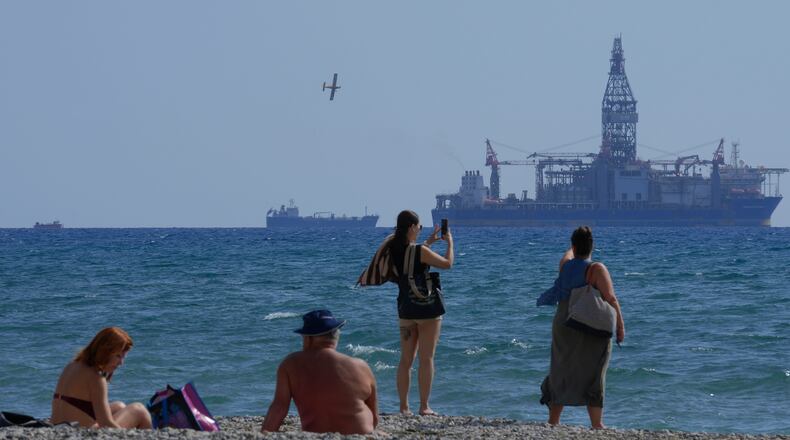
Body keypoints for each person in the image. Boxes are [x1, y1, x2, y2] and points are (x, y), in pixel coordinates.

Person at [537, 226, 625, 429]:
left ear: (574, 246)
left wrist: (574, 245)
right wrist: (620, 325)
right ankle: (596, 423)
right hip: (588, 323)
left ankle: (553, 421)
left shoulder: (565, 266)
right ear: (592, 246)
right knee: (595, 368)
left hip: (563, 321)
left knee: (561, 368)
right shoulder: (596, 269)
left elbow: (568, 254)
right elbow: (610, 298)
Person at [261, 309, 378, 435]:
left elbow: (279, 408)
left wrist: (264, 435)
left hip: (316, 435)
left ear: (307, 338)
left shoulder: (290, 364)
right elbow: (375, 417)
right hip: (361, 435)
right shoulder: (361, 366)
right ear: (336, 336)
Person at [387, 210, 453, 416]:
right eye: (419, 226)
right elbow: (447, 264)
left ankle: (403, 407)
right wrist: (450, 243)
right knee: (426, 359)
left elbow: (411, 258)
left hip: (406, 309)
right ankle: (424, 406)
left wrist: (428, 242)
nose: (420, 229)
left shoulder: (393, 247)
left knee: (406, 360)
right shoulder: (419, 251)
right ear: (411, 227)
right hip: (427, 310)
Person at [51, 327, 152, 429]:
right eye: (118, 356)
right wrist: (128, 434)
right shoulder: (96, 378)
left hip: (58, 429)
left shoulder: (72, 365)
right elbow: (105, 424)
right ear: (104, 352)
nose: (121, 363)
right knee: (139, 410)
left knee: (119, 406)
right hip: (80, 434)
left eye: (123, 357)